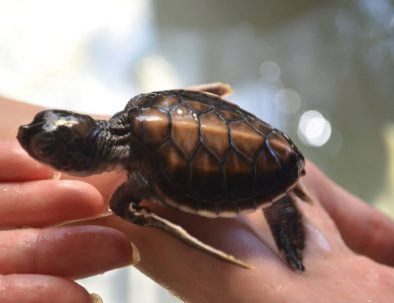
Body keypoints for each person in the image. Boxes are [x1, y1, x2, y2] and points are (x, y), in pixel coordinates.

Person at [1, 97, 394, 303]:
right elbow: (194, 102)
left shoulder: (130, 192)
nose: (24, 135)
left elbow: (167, 224)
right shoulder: (140, 107)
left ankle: (281, 200)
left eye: (43, 149)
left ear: (81, 162)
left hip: (261, 163)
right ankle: (282, 194)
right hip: (261, 137)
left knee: (277, 202)